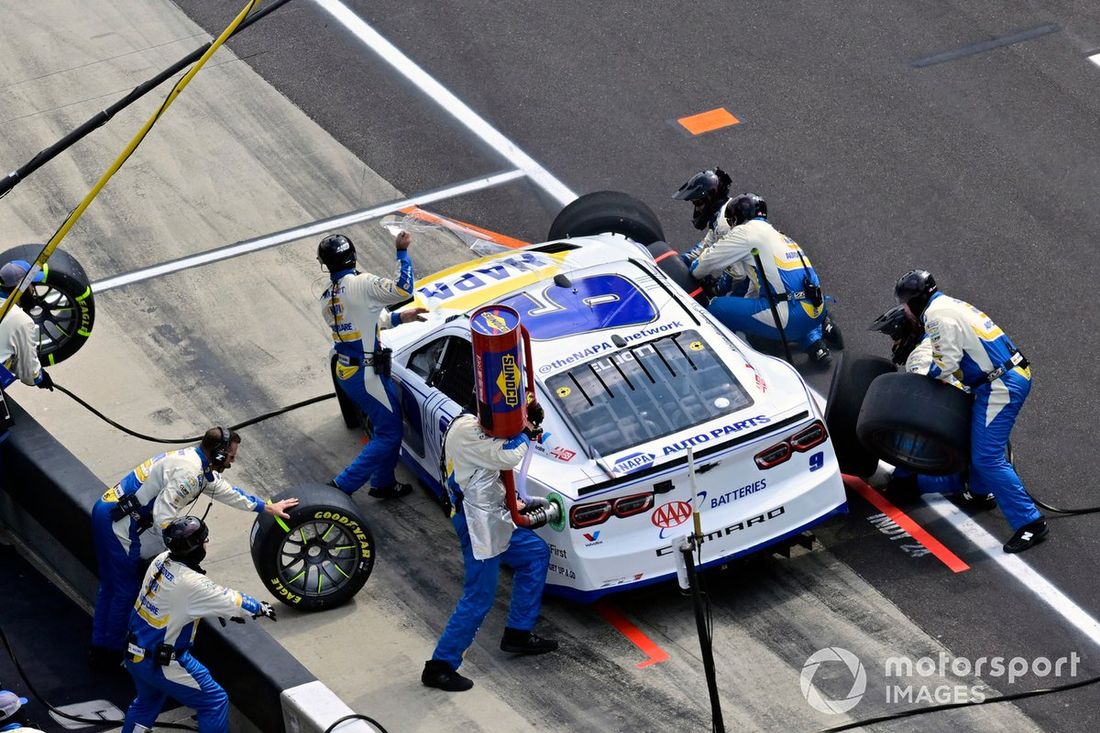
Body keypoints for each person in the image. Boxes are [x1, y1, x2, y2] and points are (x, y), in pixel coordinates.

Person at [90, 428, 297, 669]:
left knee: (111, 586)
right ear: (218, 453)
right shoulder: (189, 475)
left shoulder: (195, 462)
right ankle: (111, 653)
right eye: (230, 456)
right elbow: (163, 518)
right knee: (125, 590)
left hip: (108, 511)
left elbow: (226, 491)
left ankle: (100, 647)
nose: (232, 461)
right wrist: (180, 554)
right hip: (120, 524)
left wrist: (266, 507)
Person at [893, 269, 1045, 553]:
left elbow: (946, 363)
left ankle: (1031, 523)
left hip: (1000, 385)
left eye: (904, 304)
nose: (904, 311)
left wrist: (923, 382)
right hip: (1001, 378)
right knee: (980, 447)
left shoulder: (935, 317)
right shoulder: (948, 303)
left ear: (914, 301)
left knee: (987, 457)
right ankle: (979, 492)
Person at [422, 394, 557, 692]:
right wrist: (526, 429)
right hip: (476, 524)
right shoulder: (466, 430)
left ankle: (518, 633)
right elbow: (506, 456)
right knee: (479, 596)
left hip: (491, 516)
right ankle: (439, 666)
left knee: (535, 554)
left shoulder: (480, 425)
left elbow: (492, 466)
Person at [121, 516, 277, 733]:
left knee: (147, 701)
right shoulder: (192, 583)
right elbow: (234, 602)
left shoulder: (161, 560)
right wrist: (261, 608)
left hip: (134, 653)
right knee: (214, 701)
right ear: (194, 548)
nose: (207, 543)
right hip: (163, 662)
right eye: (204, 540)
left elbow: (180, 601)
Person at [318, 231, 426, 498]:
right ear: (352, 256)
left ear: (326, 264)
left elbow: (366, 320)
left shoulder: (327, 297)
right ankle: (342, 486)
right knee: (390, 432)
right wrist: (402, 251)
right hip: (367, 374)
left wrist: (401, 317)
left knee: (385, 426)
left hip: (348, 370)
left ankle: (383, 482)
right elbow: (404, 289)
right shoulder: (361, 283)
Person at [690, 193, 840, 363]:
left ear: (738, 218)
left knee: (717, 307)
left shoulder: (745, 231)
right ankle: (813, 341)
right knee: (767, 303)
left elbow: (703, 265)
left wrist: (692, 271)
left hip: (790, 317)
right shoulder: (781, 237)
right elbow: (759, 287)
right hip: (816, 312)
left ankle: (727, 362)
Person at [0, 261, 53, 392]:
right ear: (21, 287)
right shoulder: (20, 320)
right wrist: (40, 377)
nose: (33, 289)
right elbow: (28, 373)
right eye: (31, 284)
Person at [673, 168, 734, 267]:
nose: (697, 208)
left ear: (710, 198)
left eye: (698, 203)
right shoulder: (720, 216)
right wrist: (677, 261)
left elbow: (737, 270)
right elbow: (706, 246)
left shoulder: (724, 224)